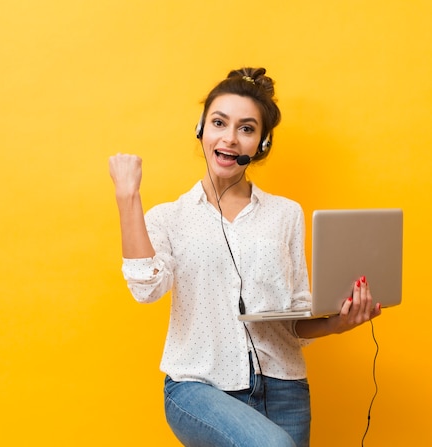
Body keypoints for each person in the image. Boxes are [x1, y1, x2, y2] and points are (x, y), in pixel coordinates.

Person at [108, 67, 382, 447]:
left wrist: (338, 323)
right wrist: (128, 196)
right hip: (200, 387)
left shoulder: (286, 214)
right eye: (219, 123)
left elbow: (294, 320)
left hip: (284, 389)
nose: (230, 138)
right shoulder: (168, 217)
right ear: (201, 129)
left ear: (262, 144)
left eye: (247, 129)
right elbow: (147, 289)